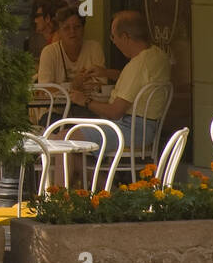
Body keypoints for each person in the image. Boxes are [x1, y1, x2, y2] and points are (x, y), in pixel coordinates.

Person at [68, 10, 171, 156]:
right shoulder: (156, 55)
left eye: (114, 36)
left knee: (66, 137)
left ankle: (60, 179)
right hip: (147, 128)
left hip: (130, 130)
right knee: (71, 142)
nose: (114, 42)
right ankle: (99, 178)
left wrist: (84, 100)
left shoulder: (138, 65)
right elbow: (139, 80)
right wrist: (106, 73)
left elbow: (115, 112)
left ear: (125, 37)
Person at [37, 7, 106, 88]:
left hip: (90, 100)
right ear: (58, 32)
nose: (72, 31)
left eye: (77, 27)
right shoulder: (49, 52)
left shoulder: (94, 48)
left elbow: (102, 86)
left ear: (83, 29)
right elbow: (45, 90)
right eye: (66, 28)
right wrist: (73, 85)